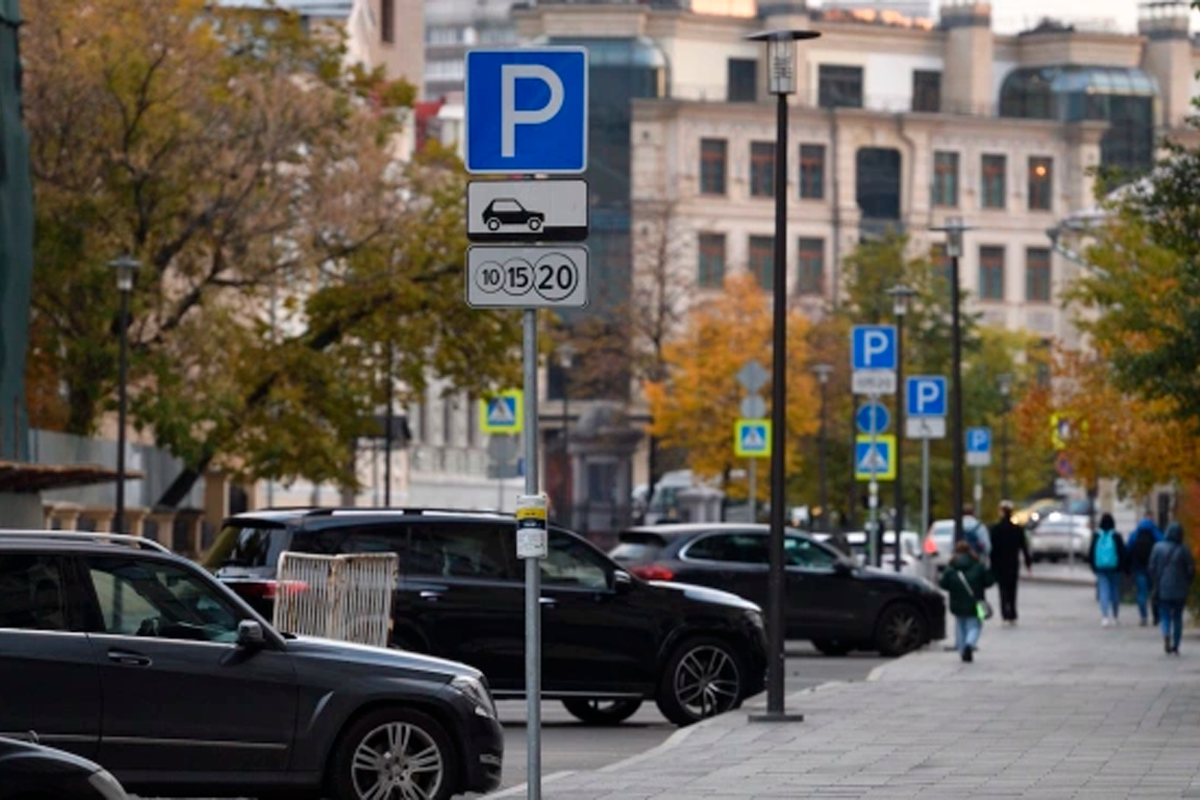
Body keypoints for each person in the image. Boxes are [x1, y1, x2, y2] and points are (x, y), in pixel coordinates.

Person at [939, 541, 994, 662]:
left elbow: (943, 584)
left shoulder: (951, 568)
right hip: (975, 603)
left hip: (957, 604)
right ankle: (969, 645)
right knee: (975, 626)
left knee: (960, 626)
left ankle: (962, 650)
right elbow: (989, 582)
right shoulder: (978, 566)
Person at [1149, 522, 1195, 655]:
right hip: (1180, 588)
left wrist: (1156, 580)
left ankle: (1166, 634)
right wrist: (1188, 582)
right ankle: (1176, 643)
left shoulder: (1158, 547)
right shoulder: (1184, 550)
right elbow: (1190, 569)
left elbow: (1151, 567)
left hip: (1163, 587)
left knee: (1165, 615)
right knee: (1178, 617)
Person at [989, 500, 1032, 626]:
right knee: (1012, 589)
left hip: (1000, 564)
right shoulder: (1017, 529)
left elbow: (992, 549)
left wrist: (992, 566)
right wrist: (1028, 563)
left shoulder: (996, 529)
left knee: (1002, 590)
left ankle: (1005, 615)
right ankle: (1013, 613)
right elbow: (1024, 547)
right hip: (1013, 563)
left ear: (1001, 512)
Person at [1088, 512, 1128, 627]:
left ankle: (1105, 616)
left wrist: (1093, 567)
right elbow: (1122, 553)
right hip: (1115, 568)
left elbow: (1091, 552)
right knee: (1115, 591)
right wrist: (1123, 567)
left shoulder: (1097, 536)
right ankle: (1115, 616)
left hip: (1101, 568)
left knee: (1104, 591)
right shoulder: (1116, 536)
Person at [1127, 512, 1163, 626]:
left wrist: (1128, 566)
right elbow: (1163, 548)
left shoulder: (1135, 534)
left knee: (1141, 593)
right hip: (1154, 568)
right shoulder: (1156, 533)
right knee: (1155, 592)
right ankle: (1156, 617)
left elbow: (1128, 549)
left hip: (1139, 567)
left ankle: (1143, 617)